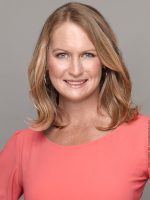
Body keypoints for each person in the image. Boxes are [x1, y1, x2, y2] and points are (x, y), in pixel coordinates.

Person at [0, 2, 150, 199]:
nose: (76, 70)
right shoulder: (22, 146)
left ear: (104, 61)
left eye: (88, 55)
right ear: (45, 62)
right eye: (62, 55)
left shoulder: (143, 136)